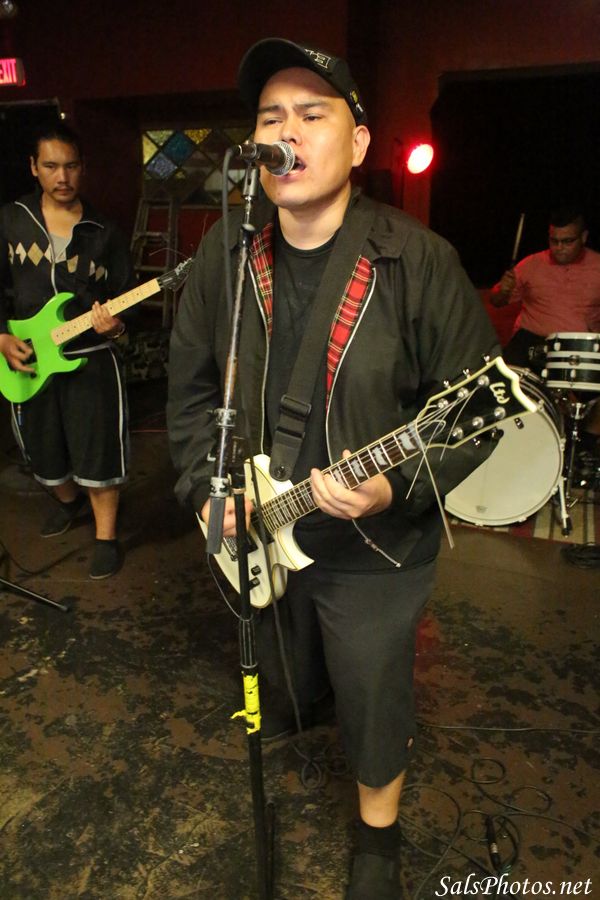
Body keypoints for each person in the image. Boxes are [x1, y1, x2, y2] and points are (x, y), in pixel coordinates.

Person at [167, 38, 499, 899]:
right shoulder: (227, 252)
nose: (287, 133)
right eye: (270, 117)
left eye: (312, 114)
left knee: (374, 690)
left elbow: (476, 420)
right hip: (265, 520)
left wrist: (396, 485)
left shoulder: (417, 260)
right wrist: (207, 491)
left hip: (374, 545)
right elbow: (191, 391)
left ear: (357, 142)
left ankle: (378, 839)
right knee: (288, 664)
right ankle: (298, 705)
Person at [0, 122, 136, 579]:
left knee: (99, 451)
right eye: (51, 166)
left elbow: (128, 296)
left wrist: (117, 325)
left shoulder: (105, 231)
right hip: (29, 357)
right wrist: (1, 336)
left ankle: (106, 537)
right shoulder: (11, 220)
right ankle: (68, 501)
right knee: (42, 450)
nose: (63, 177)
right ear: (33, 167)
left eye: (72, 166)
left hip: (90, 357)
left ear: (83, 168)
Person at [490, 208, 600, 369]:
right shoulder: (531, 264)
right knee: (504, 375)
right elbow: (496, 301)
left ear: (583, 237)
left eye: (568, 241)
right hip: (532, 343)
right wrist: (504, 290)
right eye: (554, 241)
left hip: (582, 348)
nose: (559, 247)